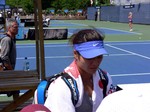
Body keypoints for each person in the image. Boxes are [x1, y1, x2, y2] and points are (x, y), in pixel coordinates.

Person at [44, 29, 117, 112]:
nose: (95, 62)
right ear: (76, 54)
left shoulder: (105, 79)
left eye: (99, 56)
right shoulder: (61, 86)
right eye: (89, 57)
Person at [0, 18, 19, 100]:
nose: (17, 29)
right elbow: (4, 57)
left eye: (17, 27)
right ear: (9, 28)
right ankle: (16, 106)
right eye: (15, 27)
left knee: (16, 89)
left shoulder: (12, 39)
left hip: (7, 71)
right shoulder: (7, 40)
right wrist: (11, 69)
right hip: (5, 72)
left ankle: (16, 106)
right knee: (15, 88)